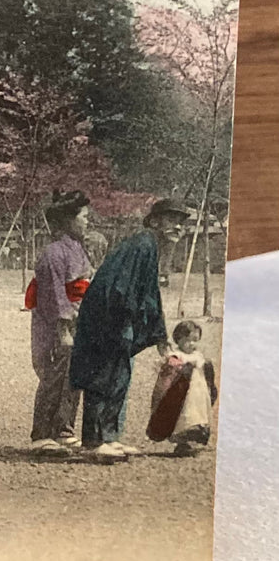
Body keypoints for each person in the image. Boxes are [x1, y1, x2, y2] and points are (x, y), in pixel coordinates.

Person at [70, 198, 191, 463]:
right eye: (172, 220)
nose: (178, 227)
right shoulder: (143, 244)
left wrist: (158, 332)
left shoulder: (150, 246)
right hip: (109, 320)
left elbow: (148, 293)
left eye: (182, 222)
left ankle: (109, 438)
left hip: (119, 320)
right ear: (155, 220)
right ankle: (93, 441)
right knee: (103, 376)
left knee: (118, 376)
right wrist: (129, 325)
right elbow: (123, 288)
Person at [29, 190, 92, 456]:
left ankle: (64, 429)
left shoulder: (79, 249)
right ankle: (42, 433)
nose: (88, 222)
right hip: (56, 324)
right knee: (54, 375)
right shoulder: (54, 253)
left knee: (73, 376)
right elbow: (54, 294)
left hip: (77, 319)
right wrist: (63, 329)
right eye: (84, 217)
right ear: (68, 220)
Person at [147, 320, 218, 456]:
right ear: (178, 340)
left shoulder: (198, 355)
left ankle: (192, 440)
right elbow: (170, 368)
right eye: (187, 340)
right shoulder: (177, 355)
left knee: (198, 415)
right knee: (184, 417)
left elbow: (205, 369)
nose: (191, 344)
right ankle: (182, 443)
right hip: (183, 395)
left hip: (198, 394)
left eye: (195, 340)